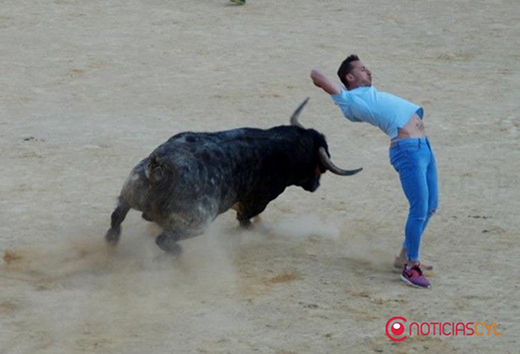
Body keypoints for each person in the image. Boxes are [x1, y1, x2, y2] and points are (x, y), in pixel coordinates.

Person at [310, 55, 438, 288]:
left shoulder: (368, 94)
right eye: (361, 69)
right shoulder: (348, 99)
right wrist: (329, 83)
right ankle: (411, 267)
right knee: (419, 208)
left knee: (430, 206)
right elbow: (316, 76)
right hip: (407, 149)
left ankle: (403, 259)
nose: (368, 70)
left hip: (423, 148)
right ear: (349, 77)